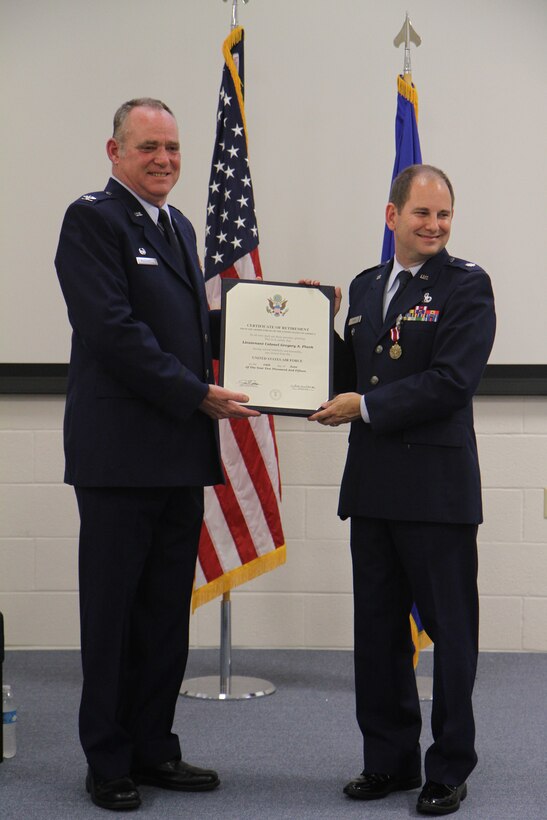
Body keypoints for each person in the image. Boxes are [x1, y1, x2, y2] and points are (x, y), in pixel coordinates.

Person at [55, 98, 259, 812]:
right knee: (112, 614)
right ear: (114, 151)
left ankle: (154, 747)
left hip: (177, 452)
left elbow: (184, 325)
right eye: (148, 147)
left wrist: (272, 321)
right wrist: (196, 393)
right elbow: (113, 332)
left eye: (171, 147)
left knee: (165, 613)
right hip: (119, 456)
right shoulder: (92, 219)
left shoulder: (176, 224)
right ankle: (107, 760)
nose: (164, 159)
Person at [309, 165, 495, 815]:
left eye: (443, 215)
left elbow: (450, 381)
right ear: (391, 217)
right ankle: (387, 762)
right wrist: (318, 326)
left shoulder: (466, 286)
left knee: (450, 634)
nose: (434, 226)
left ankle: (447, 767)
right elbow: (349, 376)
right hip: (373, 487)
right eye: (421, 214)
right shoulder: (364, 287)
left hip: (437, 491)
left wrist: (361, 406)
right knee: (378, 632)